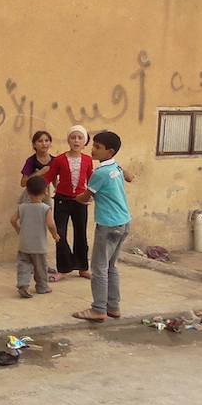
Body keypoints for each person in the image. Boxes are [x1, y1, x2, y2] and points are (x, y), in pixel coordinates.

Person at [72, 131, 133, 322]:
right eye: (93, 145)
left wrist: (76, 198)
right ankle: (113, 306)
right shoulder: (116, 166)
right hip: (123, 222)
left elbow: (85, 196)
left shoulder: (100, 173)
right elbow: (129, 177)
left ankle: (98, 309)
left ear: (110, 151)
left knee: (99, 268)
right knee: (111, 266)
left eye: (98, 147)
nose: (93, 149)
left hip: (108, 224)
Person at [46, 125, 94, 280]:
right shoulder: (59, 159)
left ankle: (82, 268)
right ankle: (63, 269)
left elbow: (91, 179)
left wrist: (92, 195)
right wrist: (36, 191)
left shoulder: (88, 160)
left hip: (80, 202)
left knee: (81, 233)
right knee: (60, 234)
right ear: (68, 140)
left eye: (80, 138)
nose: (76, 141)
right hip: (62, 201)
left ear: (85, 142)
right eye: (73, 137)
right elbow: (49, 176)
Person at [10, 175, 60, 298]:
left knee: (24, 265)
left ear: (27, 191)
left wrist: (17, 228)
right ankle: (42, 287)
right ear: (45, 191)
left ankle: (23, 285)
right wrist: (55, 236)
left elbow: (12, 220)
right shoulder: (45, 208)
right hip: (39, 245)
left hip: (24, 244)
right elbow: (51, 225)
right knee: (40, 267)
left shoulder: (22, 207)